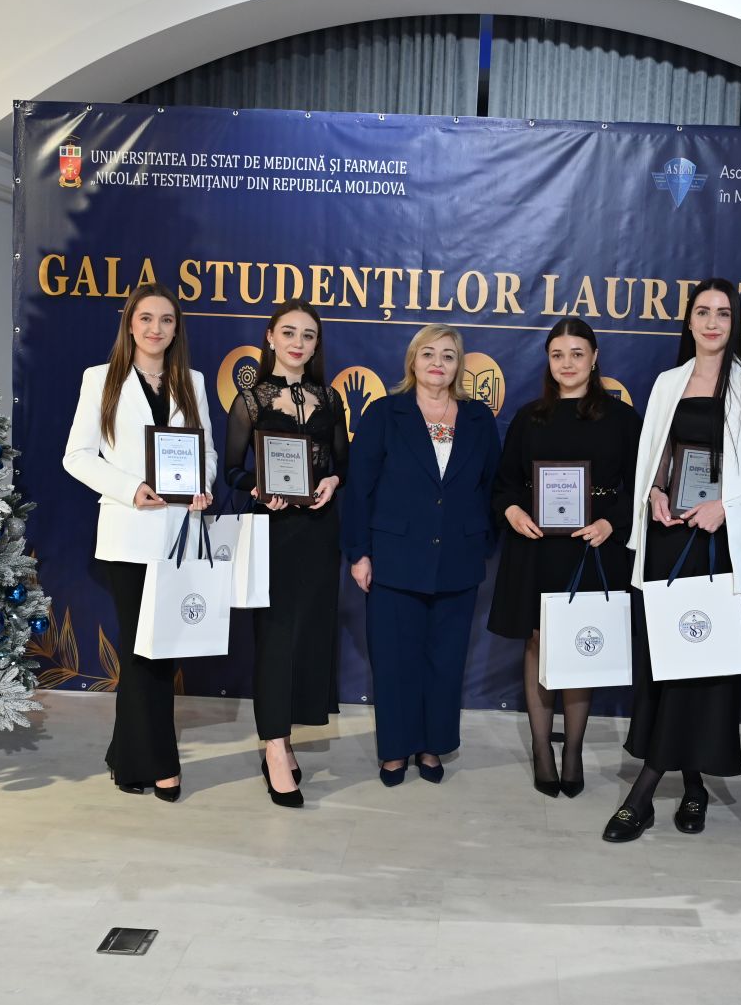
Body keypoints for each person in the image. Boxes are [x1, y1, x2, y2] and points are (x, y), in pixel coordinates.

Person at [603, 278, 741, 842]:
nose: (711, 322)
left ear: (736, 322)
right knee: (667, 661)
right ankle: (694, 786)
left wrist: (727, 506)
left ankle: (642, 793)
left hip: (718, 544)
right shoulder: (669, 382)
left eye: (723, 313)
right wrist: (656, 492)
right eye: (702, 312)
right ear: (688, 320)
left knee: (703, 663)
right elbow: (656, 455)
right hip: (668, 538)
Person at [62, 282, 216, 804]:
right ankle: (161, 764)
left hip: (178, 536)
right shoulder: (100, 379)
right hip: (128, 534)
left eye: (166, 320)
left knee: (160, 652)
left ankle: (126, 755)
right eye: (146, 318)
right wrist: (131, 489)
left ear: (176, 329)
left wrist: (202, 487)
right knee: (139, 652)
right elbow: (77, 456)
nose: (156, 328)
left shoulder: (192, 382)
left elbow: (206, 453)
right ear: (130, 324)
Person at [487, 318, 640, 798]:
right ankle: (541, 749)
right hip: (536, 546)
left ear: (594, 358)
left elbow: (641, 486)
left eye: (577, 353)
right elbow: (503, 484)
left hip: (592, 546)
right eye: (558, 355)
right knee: (537, 641)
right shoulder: (529, 417)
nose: (567, 363)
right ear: (548, 361)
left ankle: (572, 750)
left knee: (579, 646)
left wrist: (611, 523)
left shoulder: (622, 419)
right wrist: (512, 511)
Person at [341, 324, 501, 786]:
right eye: (428, 353)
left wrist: (481, 541)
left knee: (445, 661)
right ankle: (395, 751)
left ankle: (433, 745)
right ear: (413, 360)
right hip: (393, 558)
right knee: (395, 662)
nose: (438, 363)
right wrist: (359, 553)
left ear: (458, 365)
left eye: (448, 355)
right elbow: (360, 489)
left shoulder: (478, 418)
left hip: (458, 560)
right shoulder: (384, 413)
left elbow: (491, 485)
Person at [223, 300, 348, 808]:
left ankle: (287, 737)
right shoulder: (250, 400)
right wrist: (256, 488)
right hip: (271, 530)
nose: (299, 342)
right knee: (274, 639)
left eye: (309, 335)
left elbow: (342, 464)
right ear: (270, 337)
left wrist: (333, 482)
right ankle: (274, 747)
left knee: (309, 638)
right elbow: (231, 469)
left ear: (317, 345)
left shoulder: (330, 398)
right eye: (290, 332)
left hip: (319, 531)